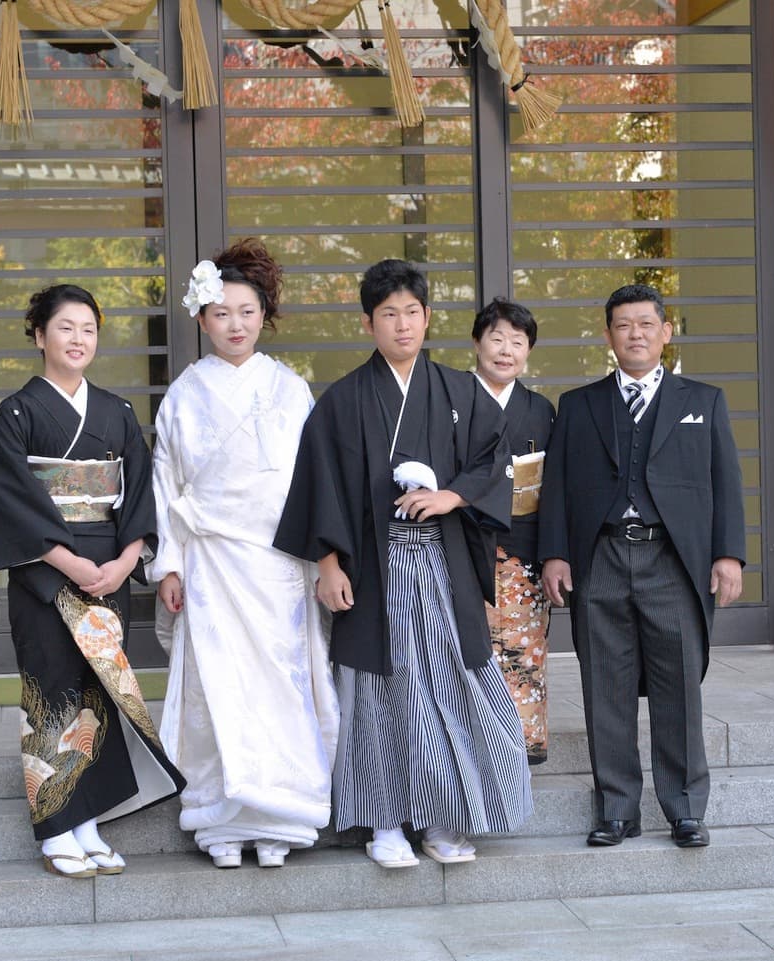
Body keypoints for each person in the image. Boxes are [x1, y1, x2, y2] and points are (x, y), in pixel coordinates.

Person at [273, 259, 533, 868]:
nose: (402, 324)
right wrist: (329, 564)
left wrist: (453, 495)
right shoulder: (341, 402)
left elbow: (496, 460)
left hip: (441, 568)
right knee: (378, 693)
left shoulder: (459, 391)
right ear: (368, 322)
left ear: (428, 317)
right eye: (388, 314)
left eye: (412, 312)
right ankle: (384, 822)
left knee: (451, 688)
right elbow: (322, 485)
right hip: (373, 570)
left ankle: (444, 819)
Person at [0, 284, 184, 879]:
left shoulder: (117, 413)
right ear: (40, 336)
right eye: (65, 328)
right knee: (53, 691)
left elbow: (140, 495)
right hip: (47, 574)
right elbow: (9, 500)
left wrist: (126, 561)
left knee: (98, 696)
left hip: (108, 572)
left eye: (88, 329)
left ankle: (88, 820)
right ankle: (55, 829)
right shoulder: (16, 414)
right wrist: (69, 564)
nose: (78, 339)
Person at [149, 240, 337, 869]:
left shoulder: (290, 388)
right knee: (217, 688)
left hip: (277, 562)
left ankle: (282, 817)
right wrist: (169, 562)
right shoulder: (183, 393)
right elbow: (166, 482)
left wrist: (321, 558)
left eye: (247, 311)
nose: (235, 324)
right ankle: (218, 819)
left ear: (265, 316)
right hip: (211, 562)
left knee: (281, 685)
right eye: (222, 313)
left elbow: (313, 480)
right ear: (201, 319)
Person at [539, 283, 745, 850]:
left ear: (665, 332)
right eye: (623, 325)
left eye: (646, 324)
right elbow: (555, 486)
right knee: (604, 683)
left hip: (672, 559)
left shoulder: (703, 402)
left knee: (679, 683)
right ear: (608, 336)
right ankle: (615, 810)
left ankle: (684, 809)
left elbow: (725, 483)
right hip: (600, 555)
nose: (635, 334)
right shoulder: (578, 406)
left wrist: (728, 554)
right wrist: (555, 552)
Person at [471, 297, 556, 764]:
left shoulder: (540, 410)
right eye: (497, 338)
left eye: (517, 342)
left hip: (523, 551)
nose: (506, 350)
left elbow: (555, 489)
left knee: (525, 654)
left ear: (528, 351)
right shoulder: (451, 400)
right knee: (466, 656)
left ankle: (521, 746)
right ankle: (475, 746)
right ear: (477, 343)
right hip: (461, 549)